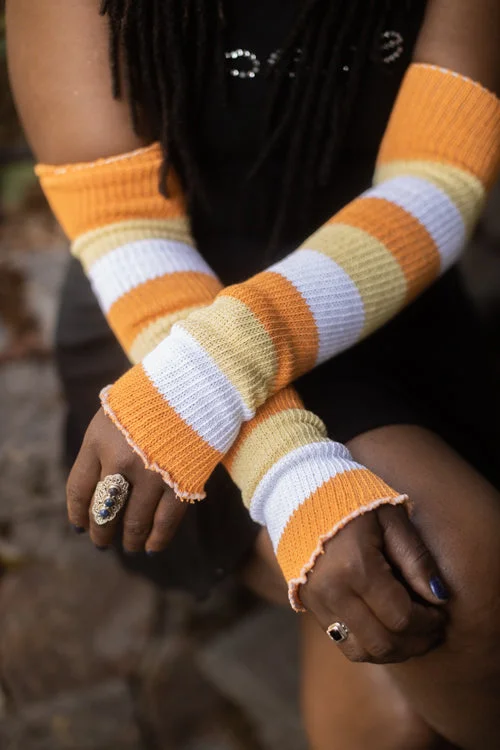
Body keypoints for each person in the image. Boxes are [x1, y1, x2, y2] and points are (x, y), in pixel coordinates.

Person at [7, 0, 500, 746]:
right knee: (438, 573)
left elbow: (437, 178)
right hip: (150, 314)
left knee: (439, 589)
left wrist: (218, 370)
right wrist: (288, 468)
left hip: (377, 285)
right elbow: (125, 224)